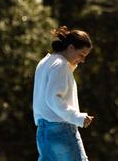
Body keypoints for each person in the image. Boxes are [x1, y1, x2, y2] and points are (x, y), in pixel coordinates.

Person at [33, 26, 94, 161]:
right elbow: (54, 98)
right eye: (81, 54)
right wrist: (77, 117)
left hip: (43, 130)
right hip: (61, 129)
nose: (82, 60)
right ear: (71, 48)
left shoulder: (45, 62)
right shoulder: (61, 65)